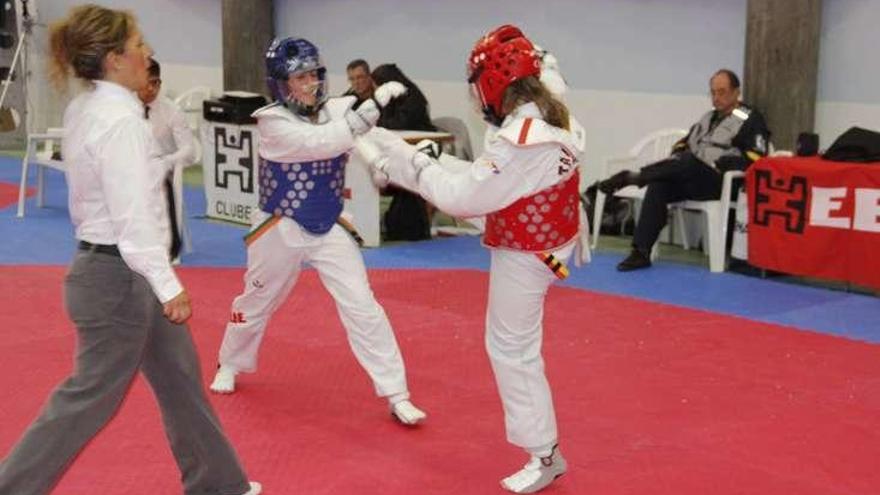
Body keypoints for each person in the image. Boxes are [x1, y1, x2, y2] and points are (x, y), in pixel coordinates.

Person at [0, 5, 260, 495]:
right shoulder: (122, 123)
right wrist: (169, 285)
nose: (147, 54)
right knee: (88, 398)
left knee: (180, 378)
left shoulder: (88, 108)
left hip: (117, 272)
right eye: (139, 46)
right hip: (119, 278)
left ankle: (219, 484)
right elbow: (133, 218)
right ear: (115, 59)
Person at [361, 25, 587, 493]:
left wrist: (410, 163)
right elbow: (546, 65)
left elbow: (462, 198)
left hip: (528, 249)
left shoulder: (522, 141)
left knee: (512, 348)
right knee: (446, 169)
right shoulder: (551, 105)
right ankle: (543, 451)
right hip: (547, 227)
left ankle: (545, 454)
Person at [208, 37, 427, 426]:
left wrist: (415, 161)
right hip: (279, 226)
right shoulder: (272, 121)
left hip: (329, 225)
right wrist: (373, 108)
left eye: (313, 74)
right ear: (281, 83)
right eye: (299, 77)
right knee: (256, 301)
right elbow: (320, 143)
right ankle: (230, 361)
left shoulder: (338, 110)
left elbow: (372, 137)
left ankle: (396, 392)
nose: (310, 83)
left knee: (363, 305)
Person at [598, 69, 770, 271]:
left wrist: (723, 162)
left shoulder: (750, 118)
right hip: (693, 177)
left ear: (736, 92)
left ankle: (634, 177)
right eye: (713, 92)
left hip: (720, 182)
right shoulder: (708, 118)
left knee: (687, 161)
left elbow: (756, 157)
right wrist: (679, 156)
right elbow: (683, 144)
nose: (716, 98)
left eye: (722, 92)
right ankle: (640, 252)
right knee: (659, 184)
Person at [138, 57, 196, 261]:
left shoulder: (172, 110)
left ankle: (169, 248)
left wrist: (167, 162)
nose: (152, 88)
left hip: (164, 171)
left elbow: (190, 151)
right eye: (148, 82)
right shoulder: (125, 108)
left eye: (157, 82)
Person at [371, 63, 436, 241]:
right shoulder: (392, 96)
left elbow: (397, 125)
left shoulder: (411, 97)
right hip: (402, 149)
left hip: (420, 148)